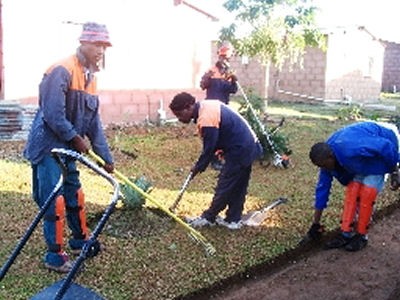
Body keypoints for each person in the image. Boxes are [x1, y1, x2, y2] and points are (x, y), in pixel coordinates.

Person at [23, 22, 114, 273]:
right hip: (49, 146)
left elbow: (94, 123)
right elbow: (53, 113)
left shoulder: (91, 79)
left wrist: (105, 157)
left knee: (75, 194)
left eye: (104, 46)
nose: (101, 51)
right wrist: (75, 137)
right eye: (97, 45)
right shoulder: (61, 70)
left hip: (68, 147)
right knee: (54, 200)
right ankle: (54, 256)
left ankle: (80, 241)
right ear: (83, 43)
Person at [169, 92, 263, 230]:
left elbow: (209, 148)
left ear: (189, 107)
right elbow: (216, 141)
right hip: (249, 145)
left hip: (240, 149)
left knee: (225, 184)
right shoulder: (206, 107)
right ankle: (233, 220)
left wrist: (198, 166)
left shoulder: (206, 117)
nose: (179, 118)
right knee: (237, 186)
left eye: (179, 114)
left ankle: (209, 218)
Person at [305, 121, 400, 251]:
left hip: (387, 138)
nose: (324, 169)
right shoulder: (326, 159)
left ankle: (362, 235)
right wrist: (315, 224)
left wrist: (394, 171)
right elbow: (323, 190)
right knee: (353, 190)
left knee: (367, 192)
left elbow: (386, 146)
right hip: (364, 153)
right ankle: (345, 234)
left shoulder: (350, 149)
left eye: (325, 165)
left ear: (331, 157)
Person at [200, 43, 238, 170]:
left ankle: (220, 156)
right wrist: (206, 78)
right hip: (210, 109)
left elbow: (233, 90)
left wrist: (234, 81)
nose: (224, 60)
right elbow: (202, 86)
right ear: (219, 57)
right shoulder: (211, 71)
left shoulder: (229, 74)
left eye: (226, 58)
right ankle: (212, 159)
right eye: (222, 57)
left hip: (223, 108)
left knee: (222, 133)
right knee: (211, 135)